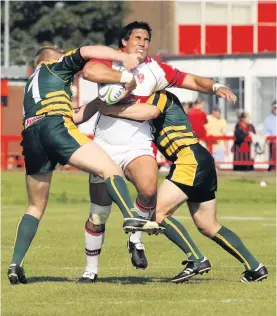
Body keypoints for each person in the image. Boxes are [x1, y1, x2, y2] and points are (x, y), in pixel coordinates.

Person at [76, 20, 242, 283]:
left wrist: (214, 87)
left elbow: (190, 80)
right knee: (99, 213)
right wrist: (123, 75)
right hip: (105, 145)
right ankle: (90, 270)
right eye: (137, 38)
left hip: (137, 145)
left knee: (149, 190)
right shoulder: (110, 62)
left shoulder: (155, 69)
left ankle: (136, 240)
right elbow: (89, 71)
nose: (142, 43)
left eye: (146, 40)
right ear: (124, 42)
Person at [7, 45, 162, 285]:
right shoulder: (55, 65)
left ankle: (15, 264)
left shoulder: (32, 84)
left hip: (31, 134)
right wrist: (123, 62)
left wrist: (99, 103)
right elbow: (87, 51)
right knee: (110, 169)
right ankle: (131, 216)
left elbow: (76, 116)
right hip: (54, 127)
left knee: (35, 207)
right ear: (49, 58)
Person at [100, 90, 268, 283]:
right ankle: (255, 267)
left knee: (158, 213)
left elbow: (149, 112)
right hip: (200, 159)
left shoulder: (160, 96)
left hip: (189, 159)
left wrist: (108, 109)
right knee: (208, 225)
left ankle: (196, 259)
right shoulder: (146, 103)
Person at [264, 101, 276, 171]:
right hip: (272, 142)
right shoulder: (268, 119)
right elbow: (266, 131)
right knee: (272, 157)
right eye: (274, 108)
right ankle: (272, 168)